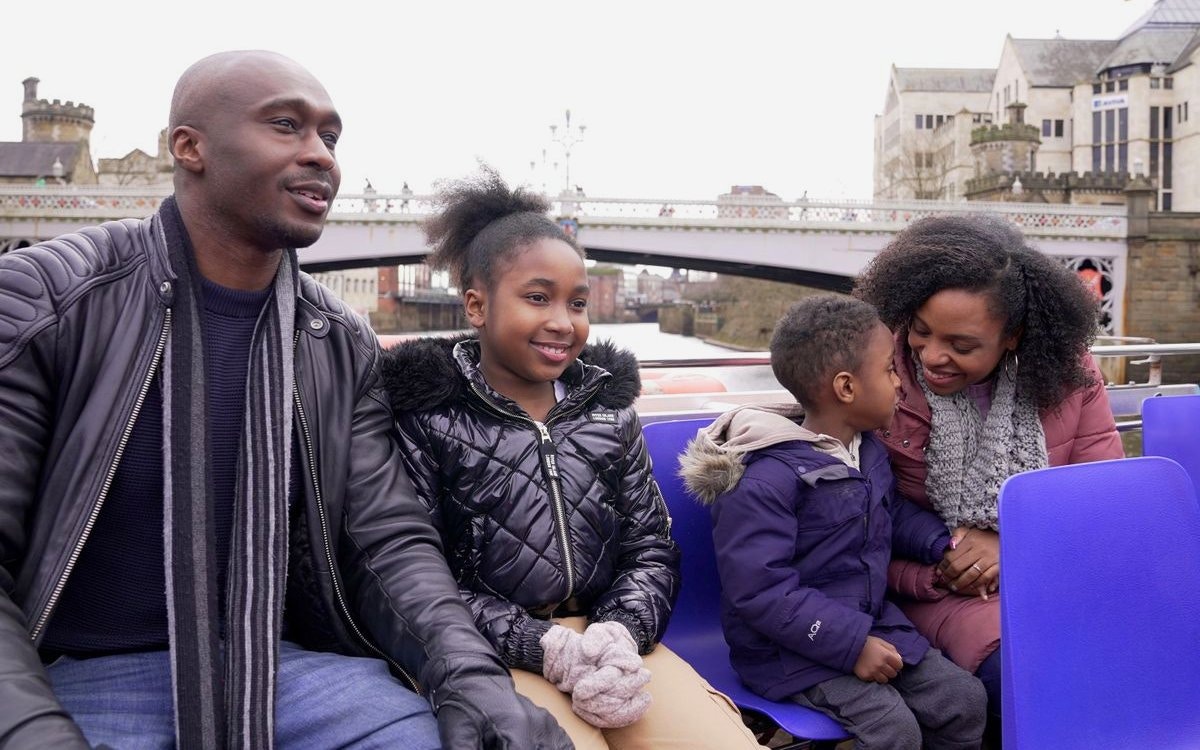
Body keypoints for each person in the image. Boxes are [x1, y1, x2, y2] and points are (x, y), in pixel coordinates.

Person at [0, 50, 569, 750]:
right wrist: (29, 728)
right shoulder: (45, 299)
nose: (321, 156)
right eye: (285, 126)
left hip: (276, 666)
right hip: (72, 674)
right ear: (190, 147)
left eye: (329, 138)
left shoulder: (338, 341)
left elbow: (386, 541)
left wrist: (472, 682)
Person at [379, 166, 762, 750]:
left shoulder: (610, 416)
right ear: (477, 306)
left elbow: (650, 549)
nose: (563, 321)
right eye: (538, 298)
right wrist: (545, 647)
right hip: (488, 650)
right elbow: (423, 580)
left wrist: (620, 632)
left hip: (613, 638)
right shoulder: (428, 422)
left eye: (577, 302)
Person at [852, 213, 1124, 741]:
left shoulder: (1070, 375)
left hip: (1053, 573)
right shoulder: (878, 381)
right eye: (921, 332)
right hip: (935, 590)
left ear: (1014, 337)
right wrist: (943, 560)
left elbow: (1103, 504)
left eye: (961, 344)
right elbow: (854, 522)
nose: (932, 356)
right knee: (1027, 677)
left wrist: (1012, 540)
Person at [680, 295, 987, 750]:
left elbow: (891, 513)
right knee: (892, 730)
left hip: (870, 622)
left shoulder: (867, 452)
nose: (901, 383)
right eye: (889, 370)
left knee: (963, 699)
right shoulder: (763, 480)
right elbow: (761, 592)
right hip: (786, 651)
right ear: (846, 388)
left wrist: (940, 543)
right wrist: (853, 645)